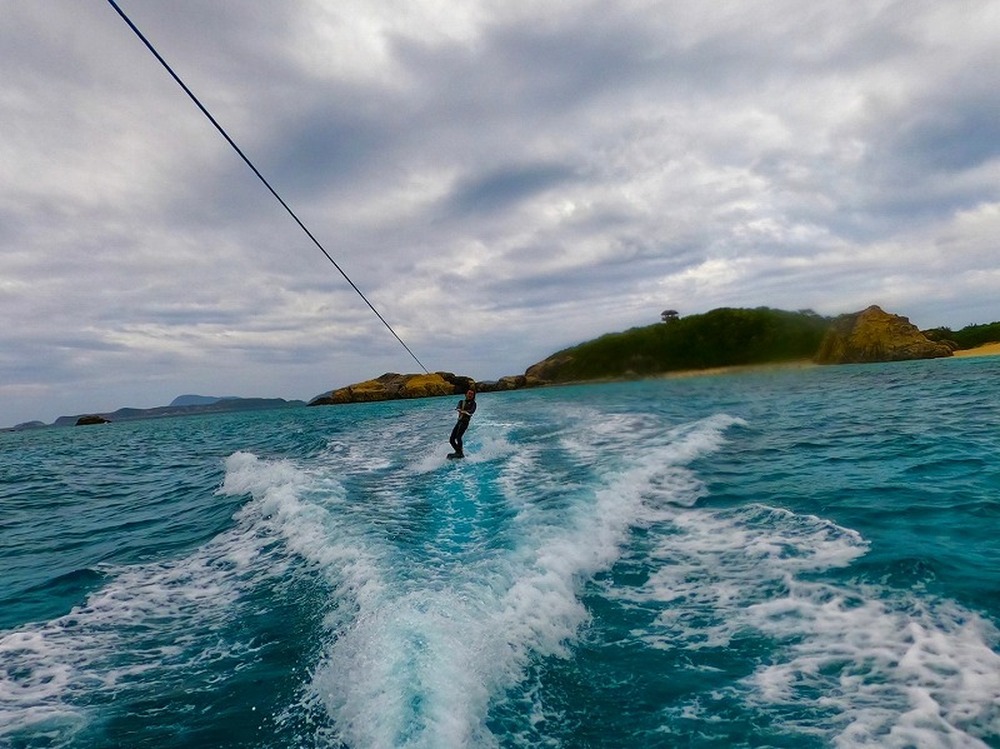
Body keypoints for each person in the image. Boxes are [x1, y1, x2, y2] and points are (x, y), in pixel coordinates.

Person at [448, 389, 477, 459]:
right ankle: (458, 452)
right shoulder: (461, 402)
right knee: (451, 439)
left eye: (472, 394)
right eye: (469, 393)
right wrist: (460, 410)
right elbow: (458, 408)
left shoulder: (473, 404)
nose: (470, 395)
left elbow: (471, 411)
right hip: (459, 422)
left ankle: (460, 453)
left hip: (465, 422)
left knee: (458, 437)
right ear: (466, 394)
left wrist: (464, 411)